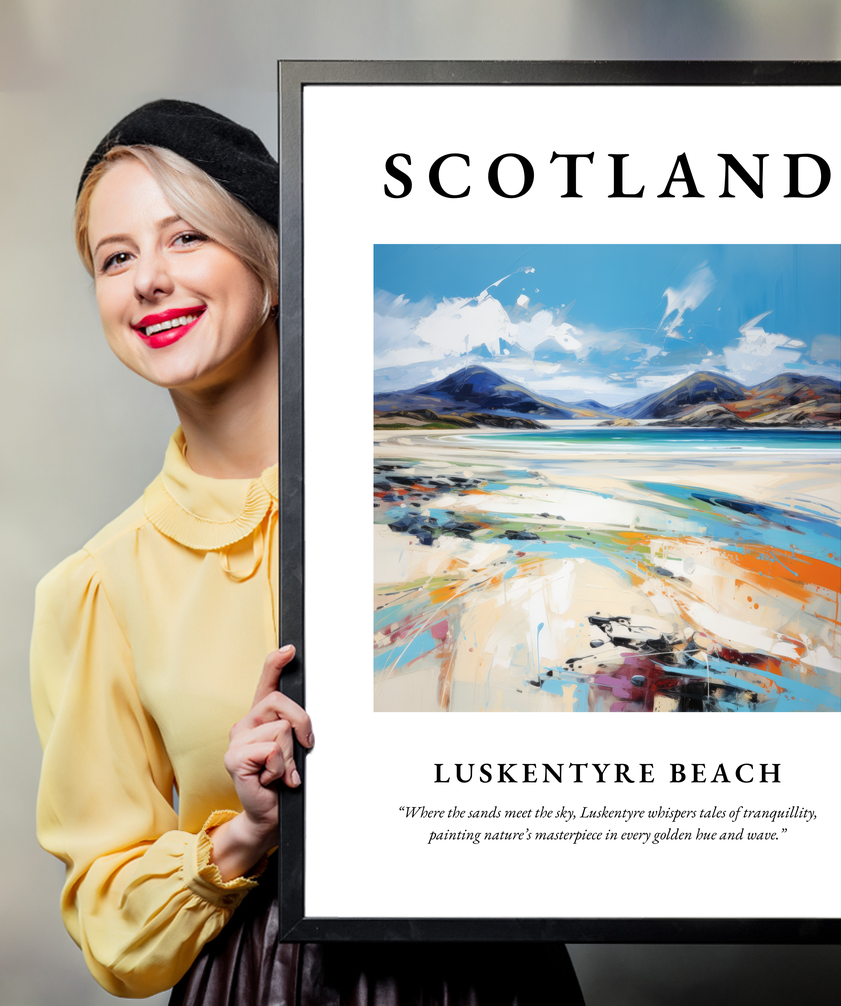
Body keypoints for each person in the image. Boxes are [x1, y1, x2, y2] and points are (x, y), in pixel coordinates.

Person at [30, 100, 585, 1004]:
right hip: (262, 982)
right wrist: (245, 832)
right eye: (116, 257)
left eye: (185, 239)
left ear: (273, 264)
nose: (148, 281)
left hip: (492, 973)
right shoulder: (97, 587)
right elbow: (110, 924)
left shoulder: (457, 502)